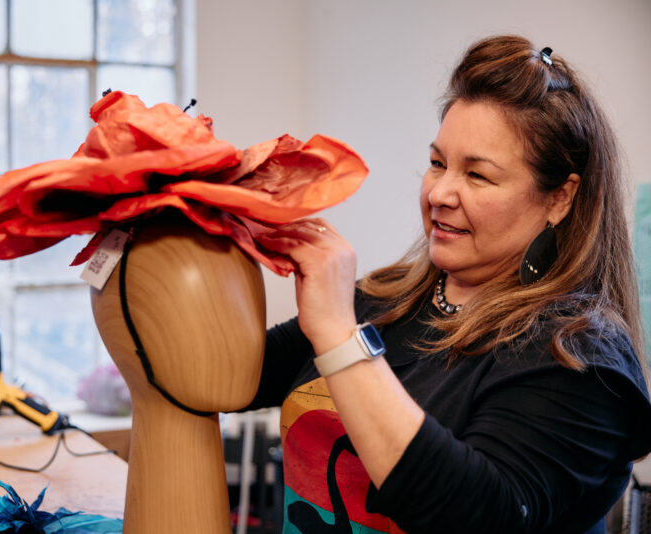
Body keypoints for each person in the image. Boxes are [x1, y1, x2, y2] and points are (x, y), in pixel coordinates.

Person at [247, 35, 651, 533]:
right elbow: (218, 377)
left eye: (477, 175)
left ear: (559, 199)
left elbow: (475, 516)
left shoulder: (580, 356)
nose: (439, 192)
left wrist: (336, 334)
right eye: (438, 163)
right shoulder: (382, 302)